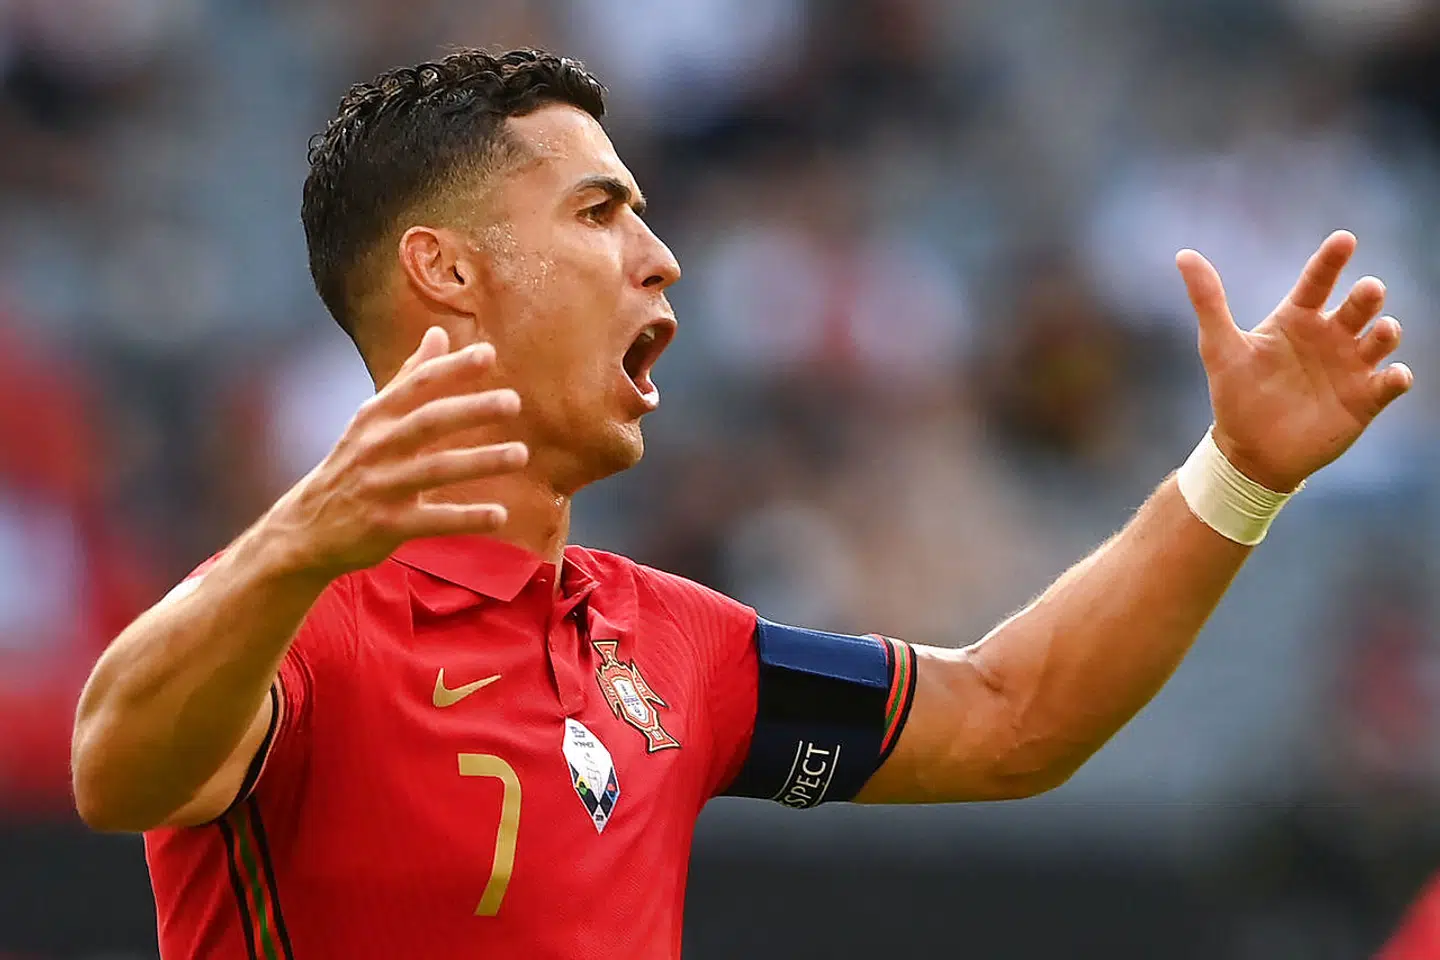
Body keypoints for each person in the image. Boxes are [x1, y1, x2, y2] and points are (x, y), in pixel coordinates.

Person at [69, 49, 1414, 959]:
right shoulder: (304, 621)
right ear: (446, 270)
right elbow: (118, 764)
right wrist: (301, 535)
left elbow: (1015, 719)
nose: (660, 257)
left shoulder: (673, 648)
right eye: (598, 213)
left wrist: (1241, 472)